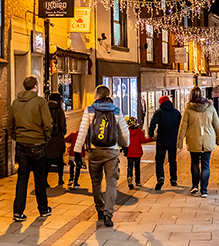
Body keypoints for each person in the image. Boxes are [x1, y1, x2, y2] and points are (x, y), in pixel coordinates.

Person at [74, 85, 129, 227]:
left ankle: (99, 208)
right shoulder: (116, 110)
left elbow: (82, 131)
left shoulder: (89, 110)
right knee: (111, 182)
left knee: (96, 182)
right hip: (111, 151)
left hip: (94, 151)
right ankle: (108, 214)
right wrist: (125, 146)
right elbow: (124, 132)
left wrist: (77, 151)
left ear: (97, 95)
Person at [7, 76, 53, 222]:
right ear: (35, 86)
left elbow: (9, 124)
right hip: (38, 144)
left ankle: (18, 211)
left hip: (21, 144)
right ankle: (43, 209)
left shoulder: (15, 103)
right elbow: (48, 124)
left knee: (22, 178)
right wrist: (46, 138)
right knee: (39, 178)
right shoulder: (40, 102)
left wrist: (15, 136)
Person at [177, 86, 219, 198]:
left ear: (191, 95)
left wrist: (179, 141)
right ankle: (204, 191)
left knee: (195, 163)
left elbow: (183, 126)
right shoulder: (210, 107)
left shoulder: (188, 109)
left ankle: (195, 185)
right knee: (206, 165)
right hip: (207, 140)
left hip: (194, 140)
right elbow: (217, 124)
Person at [149, 95, 182, 190]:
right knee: (173, 161)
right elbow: (180, 126)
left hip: (161, 140)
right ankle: (173, 179)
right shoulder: (176, 112)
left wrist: (151, 134)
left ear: (161, 103)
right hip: (173, 140)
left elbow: (153, 123)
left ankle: (160, 178)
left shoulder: (159, 112)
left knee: (159, 160)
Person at [124, 116, 152, 189]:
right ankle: (138, 181)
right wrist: (151, 138)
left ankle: (129, 176)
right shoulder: (139, 132)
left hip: (129, 152)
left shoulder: (127, 132)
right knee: (137, 168)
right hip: (137, 152)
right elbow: (143, 140)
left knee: (129, 167)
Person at [45, 93, 67, 187]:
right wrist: (63, 133)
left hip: (47, 139)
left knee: (47, 161)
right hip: (58, 138)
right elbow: (62, 125)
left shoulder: (44, 109)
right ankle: (60, 179)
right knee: (59, 159)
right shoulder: (59, 110)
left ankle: (44, 180)